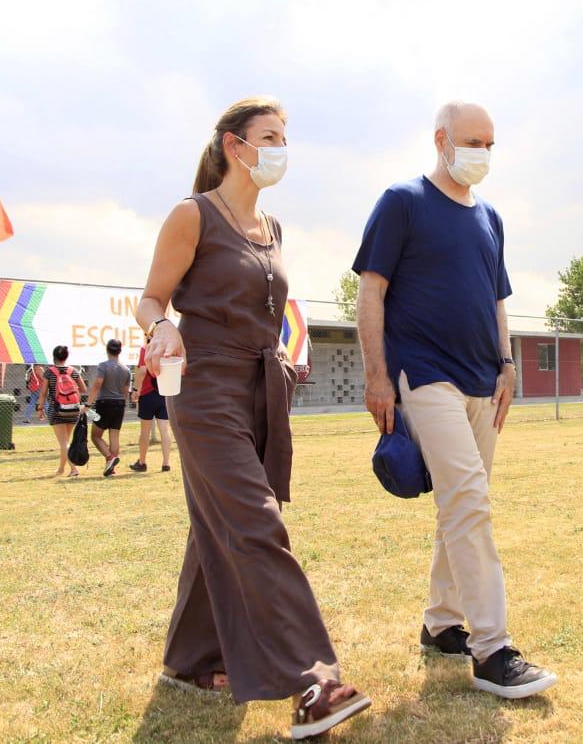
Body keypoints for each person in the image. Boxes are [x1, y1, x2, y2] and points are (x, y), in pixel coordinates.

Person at [136, 96, 370, 739]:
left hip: (261, 387)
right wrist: (161, 328)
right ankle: (314, 681)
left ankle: (189, 660)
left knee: (218, 520)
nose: (281, 149)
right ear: (234, 146)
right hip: (204, 388)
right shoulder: (193, 214)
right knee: (254, 521)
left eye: (284, 137)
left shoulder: (274, 227)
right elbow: (151, 298)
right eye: (270, 137)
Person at [354, 100, 557, 702]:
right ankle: (492, 650)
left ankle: (442, 623)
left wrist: (508, 364)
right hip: (425, 375)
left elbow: (497, 300)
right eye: (472, 141)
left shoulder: (490, 217)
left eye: (490, 144)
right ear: (441, 139)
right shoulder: (403, 202)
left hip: (482, 380)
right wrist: (377, 377)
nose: (483, 153)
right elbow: (371, 292)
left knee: (461, 504)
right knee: (468, 498)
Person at [37, 345, 88, 477]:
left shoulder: (49, 372)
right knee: (66, 441)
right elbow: (83, 389)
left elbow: (43, 393)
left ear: (54, 357)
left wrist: (40, 408)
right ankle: (61, 469)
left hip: (57, 410)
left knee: (64, 442)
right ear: (66, 357)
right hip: (73, 409)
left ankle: (73, 469)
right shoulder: (73, 371)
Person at [85, 338, 129, 476]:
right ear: (120, 351)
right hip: (120, 403)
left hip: (105, 403)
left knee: (95, 436)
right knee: (114, 436)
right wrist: (123, 405)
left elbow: (97, 384)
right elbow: (125, 391)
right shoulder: (126, 369)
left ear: (107, 350)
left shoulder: (103, 366)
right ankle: (111, 467)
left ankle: (110, 458)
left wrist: (88, 404)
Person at [130, 344, 172, 473]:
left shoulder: (146, 348)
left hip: (147, 393)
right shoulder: (167, 349)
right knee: (164, 430)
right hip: (164, 392)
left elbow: (143, 370)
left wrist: (136, 389)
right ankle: (166, 463)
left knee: (145, 431)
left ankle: (142, 462)